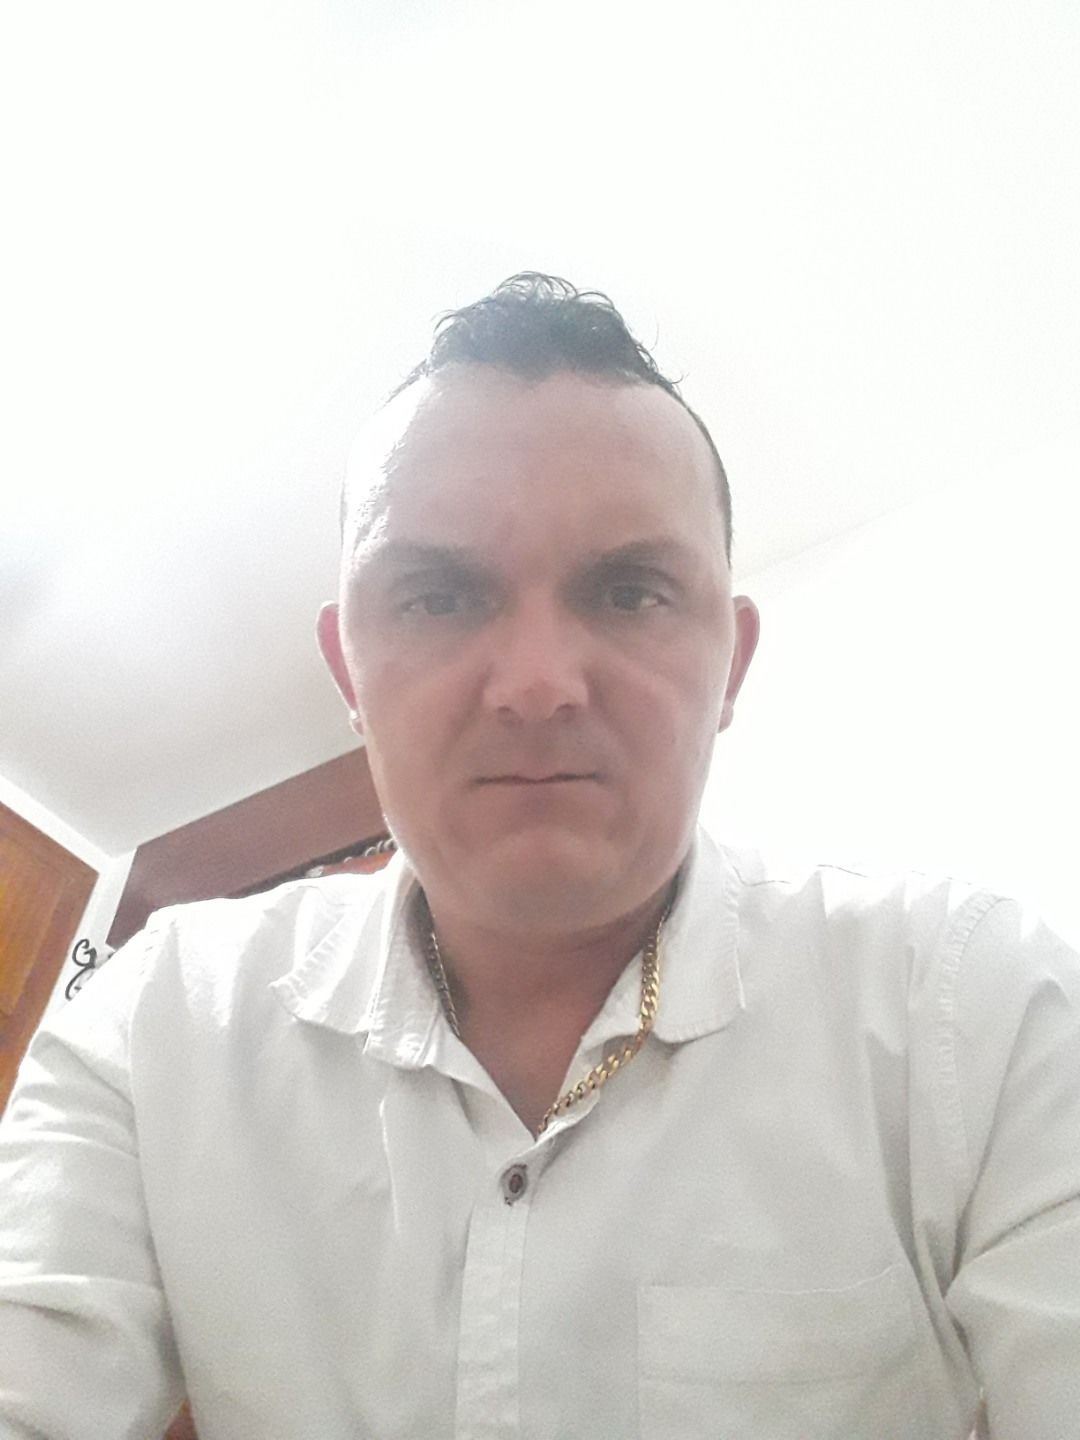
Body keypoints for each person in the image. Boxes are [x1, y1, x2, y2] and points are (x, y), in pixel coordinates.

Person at [1, 273, 1077, 1440]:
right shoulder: (152, 1028)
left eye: (629, 591)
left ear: (730, 664)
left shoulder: (976, 1009)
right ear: (350, 670)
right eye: (439, 596)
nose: (536, 686)